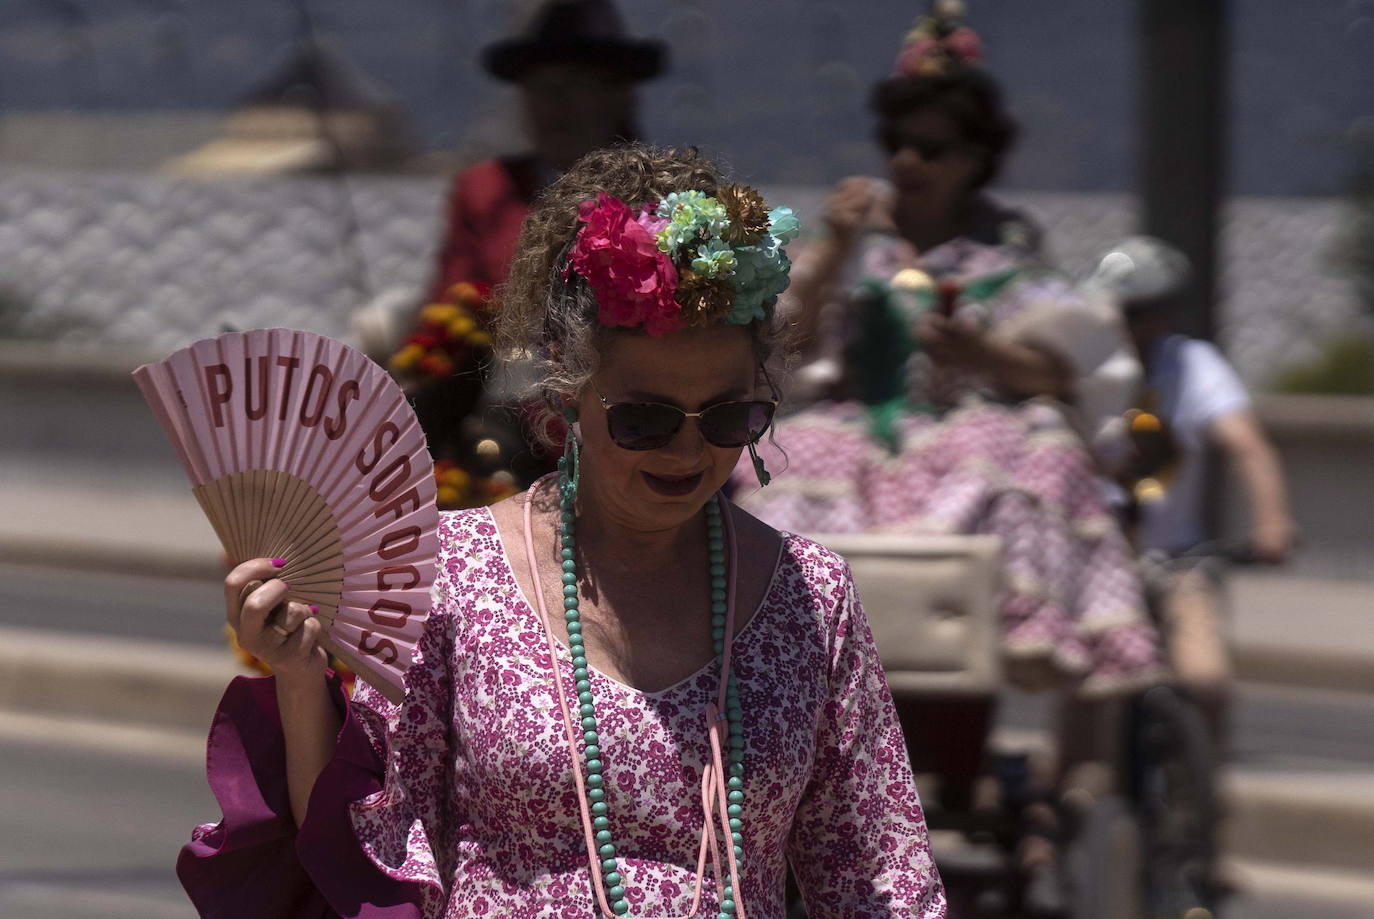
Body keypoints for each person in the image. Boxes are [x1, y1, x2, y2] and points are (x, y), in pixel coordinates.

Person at [178, 144, 947, 919]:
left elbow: (882, 883)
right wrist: (301, 680)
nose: (688, 450)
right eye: (643, 417)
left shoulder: (811, 598)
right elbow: (368, 854)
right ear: (568, 389)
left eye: (727, 416)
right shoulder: (454, 572)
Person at [734, 3, 1161, 702]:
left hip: (965, 424)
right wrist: (834, 251)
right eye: (899, 143)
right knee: (791, 451)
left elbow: (1061, 370)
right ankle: (788, 631)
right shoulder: (853, 244)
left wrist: (983, 350)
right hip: (859, 424)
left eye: (931, 149)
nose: (907, 161)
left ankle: (1027, 624)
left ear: (973, 160)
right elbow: (785, 347)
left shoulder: (1007, 250)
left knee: (1030, 442)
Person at [386, 0, 669, 490]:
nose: (555, 106)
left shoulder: (662, 193)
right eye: (541, 89)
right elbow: (449, 306)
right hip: (504, 420)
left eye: (575, 87)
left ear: (619, 96)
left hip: (630, 410)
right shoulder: (485, 188)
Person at [1088, 235, 1295, 719]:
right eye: (1120, 310)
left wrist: (1272, 522)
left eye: (1143, 311)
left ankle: (1195, 787)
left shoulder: (1191, 364)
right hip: (1100, 558)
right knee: (1089, 696)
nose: (1129, 324)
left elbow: (1248, 446)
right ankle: (1077, 790)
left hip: (1178, 559)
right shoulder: (1082, 367)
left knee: (1205, 679)